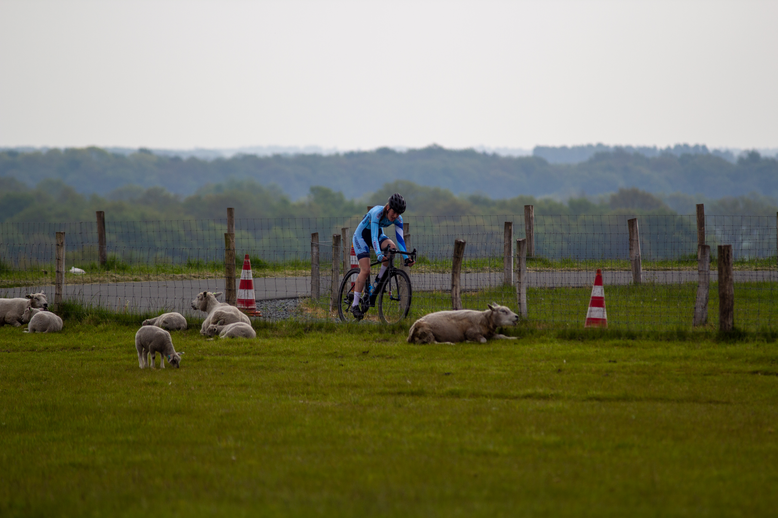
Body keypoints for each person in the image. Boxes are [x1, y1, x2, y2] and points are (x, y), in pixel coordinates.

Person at [350, 193, 414, 318]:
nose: (395, 216)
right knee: (366, 270)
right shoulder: (377, 213)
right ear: (388, 207)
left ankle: (378, 281)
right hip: (361, 237)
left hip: (377, 236)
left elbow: (400, 240)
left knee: (392, 248)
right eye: (394, 212)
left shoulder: (398, 219)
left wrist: (406, 258)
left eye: (398, 213)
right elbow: (373, 236)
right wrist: (378, 254)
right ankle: (354, 305)